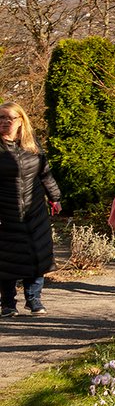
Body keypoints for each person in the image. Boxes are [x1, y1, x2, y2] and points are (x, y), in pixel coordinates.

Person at [0, 102, 61, 317]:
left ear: (21, 121)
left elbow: (45, 174)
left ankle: (33, 299)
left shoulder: (32, 145)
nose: (6, 122)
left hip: (35, 209)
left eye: (11, 118)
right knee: (7, 258)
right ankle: (7, 303)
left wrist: (55, 198)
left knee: (38, 253)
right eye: (1, 118)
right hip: (5, 211)